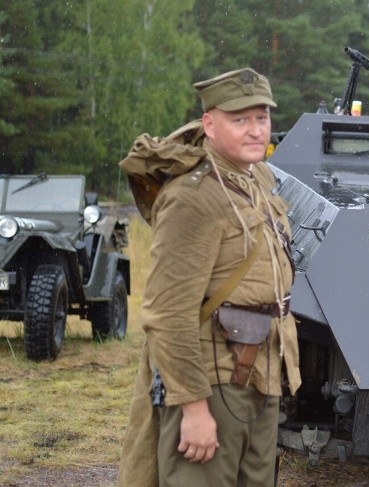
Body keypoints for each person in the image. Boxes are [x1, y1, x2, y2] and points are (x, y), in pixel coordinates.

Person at [116, 68, 301, 486]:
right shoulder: (193, 198)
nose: (256, 131)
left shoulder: (258, 180)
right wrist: (195, 410)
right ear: (209, 125)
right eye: (240, 120)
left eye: (262, 118)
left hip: (260, 376)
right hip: (209, 383)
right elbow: (168, 313)